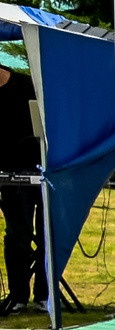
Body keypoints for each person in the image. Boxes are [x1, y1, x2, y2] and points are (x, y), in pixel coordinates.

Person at [0, 49, 42, 316]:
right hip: (9, 174)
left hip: (42, 168)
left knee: (49, 234)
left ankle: (45, 296)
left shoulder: (27, 86)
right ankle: (18, 296)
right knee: (16, 236)